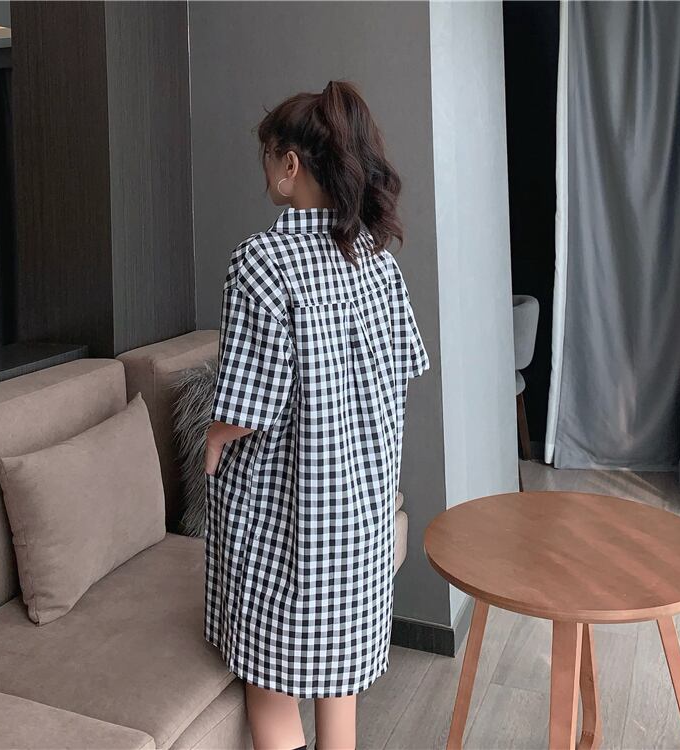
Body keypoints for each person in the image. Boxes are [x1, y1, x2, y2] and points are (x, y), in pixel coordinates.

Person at [203, 79, 429, 750]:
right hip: (359, 516)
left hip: (286, 521)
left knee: (269, 693)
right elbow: (402, 372)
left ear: (290, 163)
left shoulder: (263, 264)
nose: (266, 171)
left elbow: (248, 406)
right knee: (339, 687)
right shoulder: (376, 263)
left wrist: (213, 438)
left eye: (268, 156)